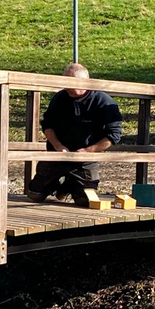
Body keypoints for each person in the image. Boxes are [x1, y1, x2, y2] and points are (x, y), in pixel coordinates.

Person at [25, 63, 123, 204]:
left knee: (84, 201)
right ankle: (54, 184)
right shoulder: (60, 98)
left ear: (82, 82)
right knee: (34, 195)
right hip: (57, 155)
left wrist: (88, 151)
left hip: (84, 160)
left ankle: (69, 186)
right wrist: (58, 146)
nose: (65, 87)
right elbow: (47, 125)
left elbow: (113, 135)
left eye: (68, 82)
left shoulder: (103, 101)